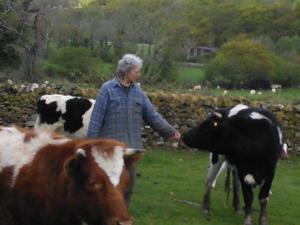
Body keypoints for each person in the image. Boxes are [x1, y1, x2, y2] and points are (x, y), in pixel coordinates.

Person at [87, 53, 181, 206]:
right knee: (109, 188)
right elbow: (95, 122)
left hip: (131, 152)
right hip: (111, 152)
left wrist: (170, 131)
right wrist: (89, 149)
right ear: (127, 71)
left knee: (129, 187)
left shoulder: (138, 92)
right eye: (137, 71)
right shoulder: (107, 90)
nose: (139, 74)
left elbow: (153, 116)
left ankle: (123, 217)